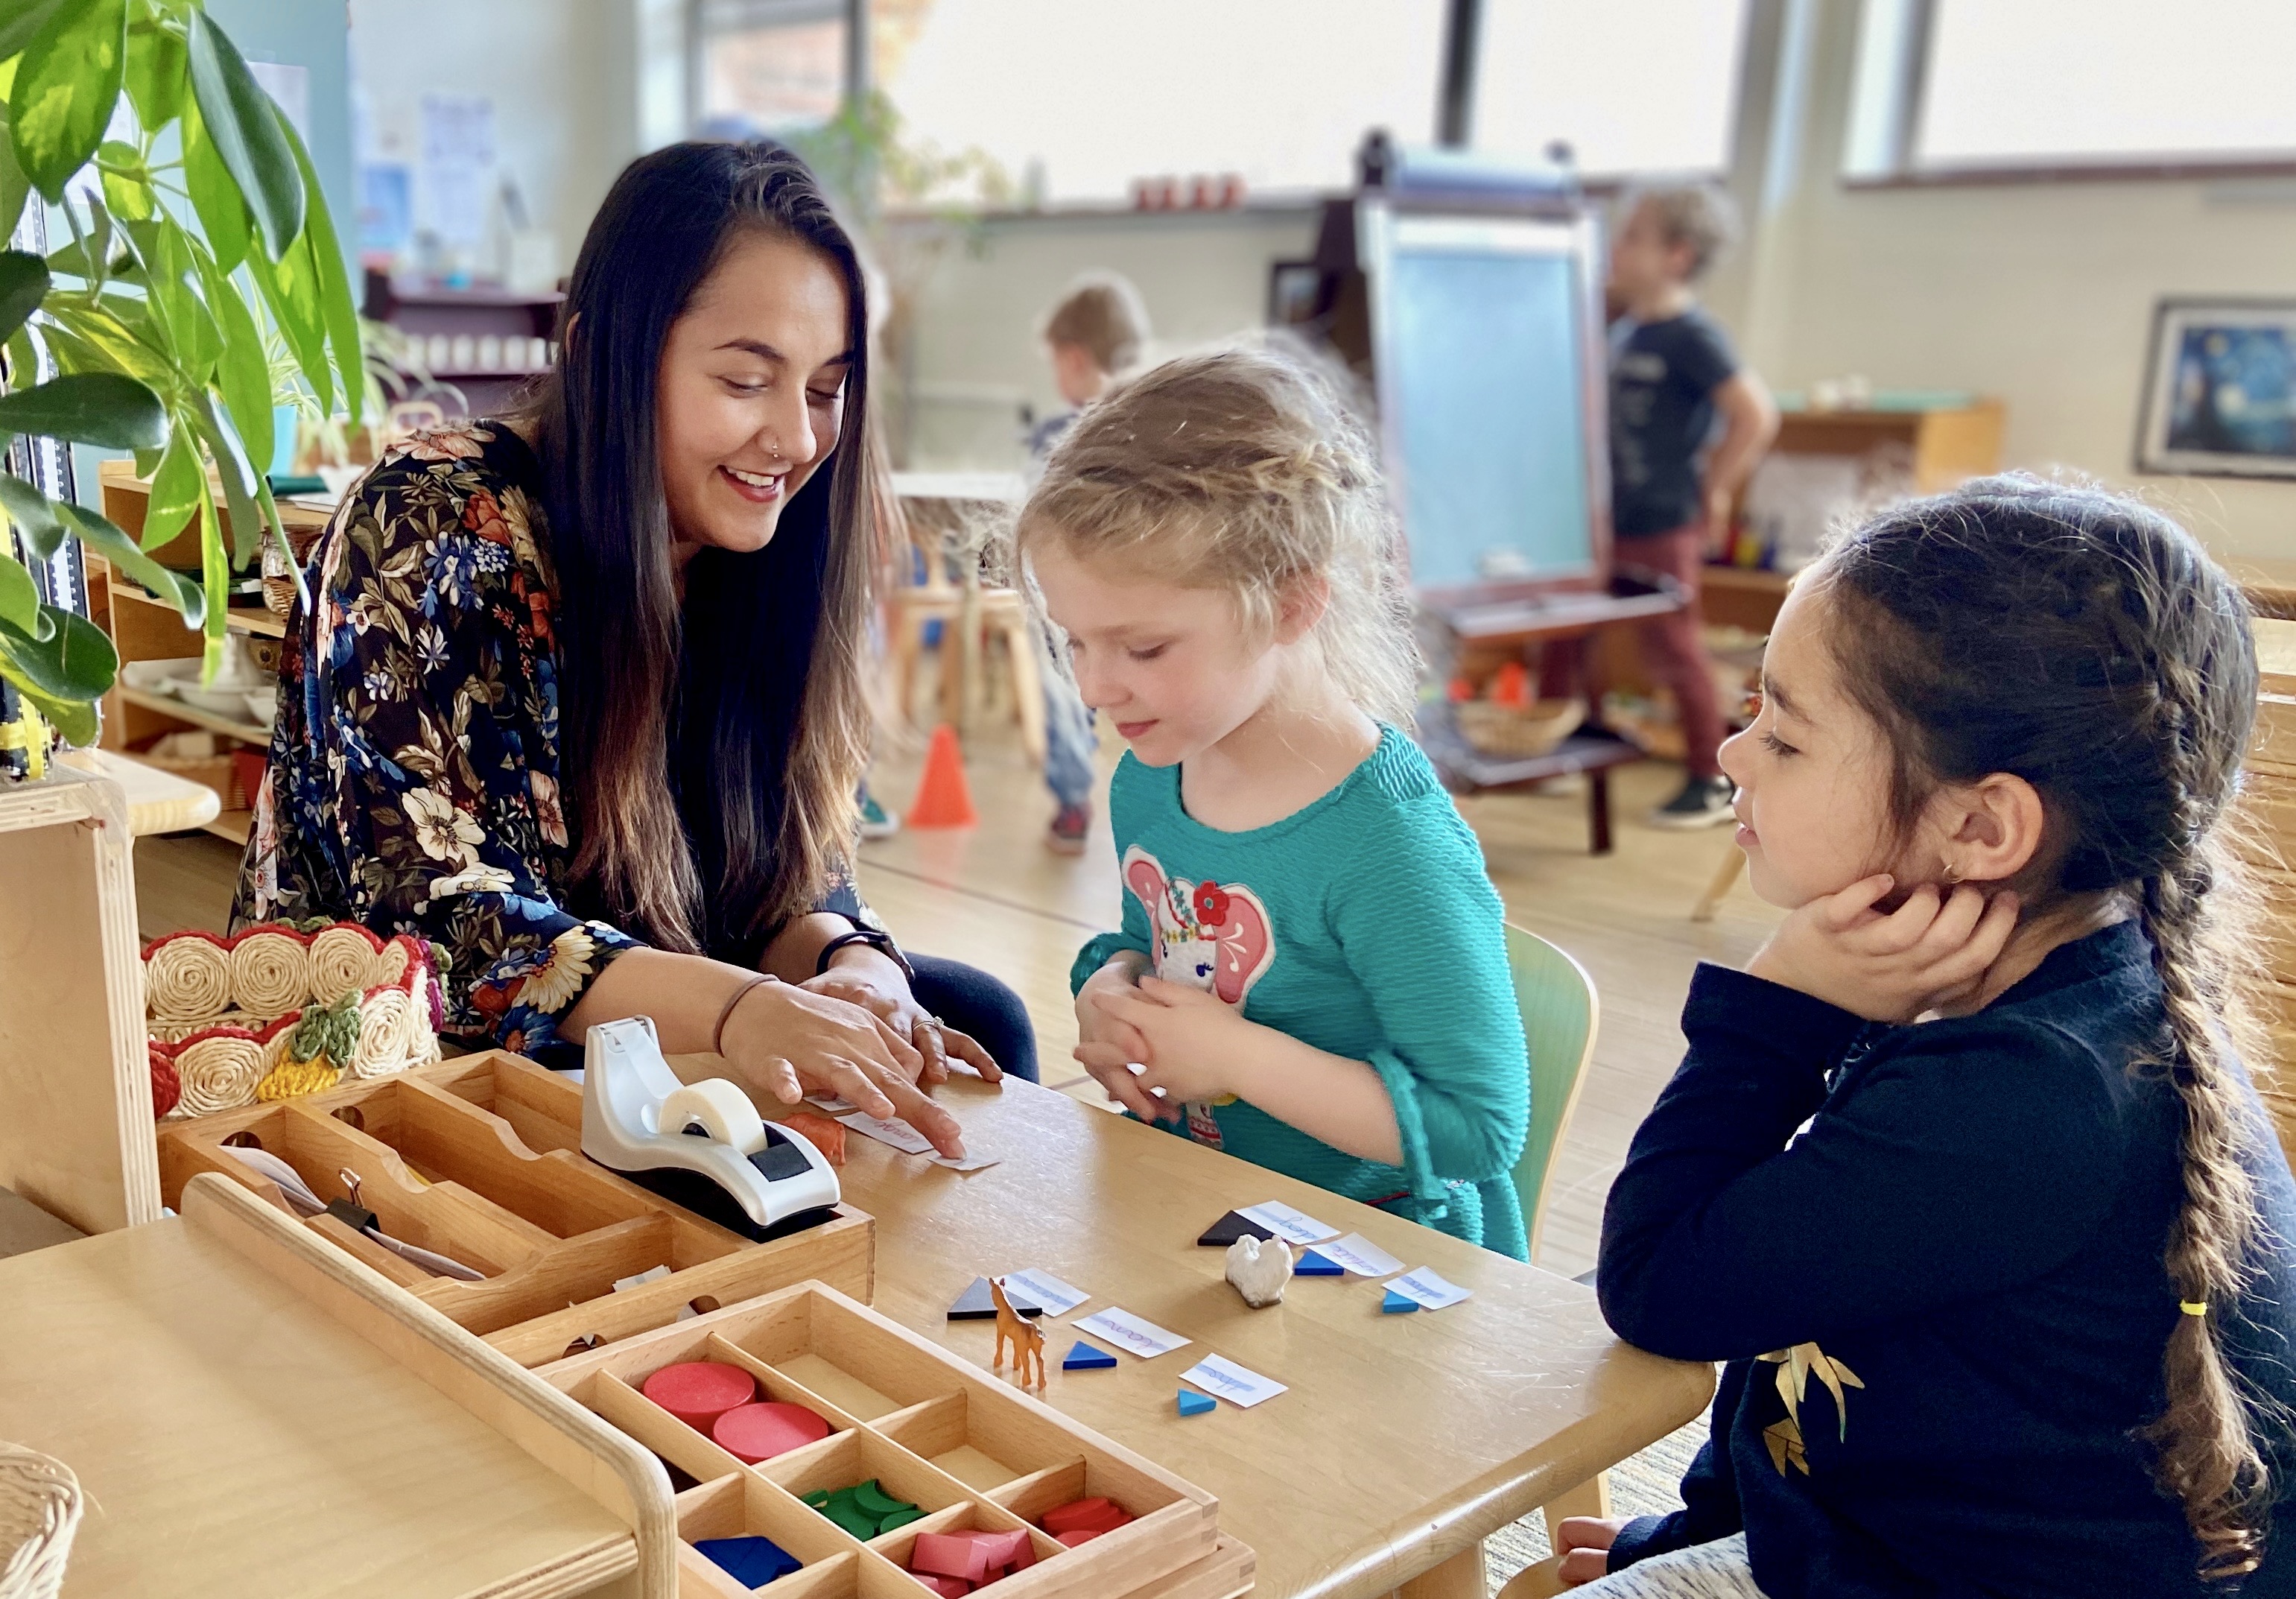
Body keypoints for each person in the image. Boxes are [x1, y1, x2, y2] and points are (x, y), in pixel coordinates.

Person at [1561, 478, 2296, 1595]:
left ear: (1978, 825)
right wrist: (1696, 1535)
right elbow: (1800, 1321)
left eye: (1784, 733)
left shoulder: (2025, 1097)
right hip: (1889, 1537)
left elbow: (1658, 1281)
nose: (1731, 755)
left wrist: (1774, 1010)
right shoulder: (2036, 990)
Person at [235, 142, 1041, 1160]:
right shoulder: (430, 518)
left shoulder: (764, 545)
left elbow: (784, 865)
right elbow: (441, 926)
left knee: (979, 1018)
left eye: (827, 389)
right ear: (602, 351)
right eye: (747, 380)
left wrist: (854, 964)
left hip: (661, 1006)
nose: (795, 439)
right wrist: (743, 1008)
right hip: (418, 1044)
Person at [1022, 344, 1532, 1257]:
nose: (1096, 687)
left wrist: (1234, 1060)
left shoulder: (1389, 843)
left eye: (1141, 649)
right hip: (1206, 1214)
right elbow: (1169, 951)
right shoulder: (1154, 773)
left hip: (1381, 1258)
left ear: (1294, 605)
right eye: (1075, 642)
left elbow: (1480, 1128)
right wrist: (1110, 983)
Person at [1543, 184, 1778, 828]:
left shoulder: (1692, 336)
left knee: (1674, 645)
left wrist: (1716, 486)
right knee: (1567, 632)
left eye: (1634, 237)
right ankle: (1565, 743)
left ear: (1678, 254)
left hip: (1661, 518)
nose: (1616, 249)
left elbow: (1754, 416)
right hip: (1604, 520)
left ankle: (1709, 775)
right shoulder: (1626, 328)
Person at [1026, 273, 1150, 855]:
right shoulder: (1157, 419)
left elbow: (1033, 514)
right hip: (1147, 594)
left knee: (1062, 690)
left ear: (1073, 358)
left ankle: (1074, 803)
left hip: (1072, 602)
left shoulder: (1059, 432)